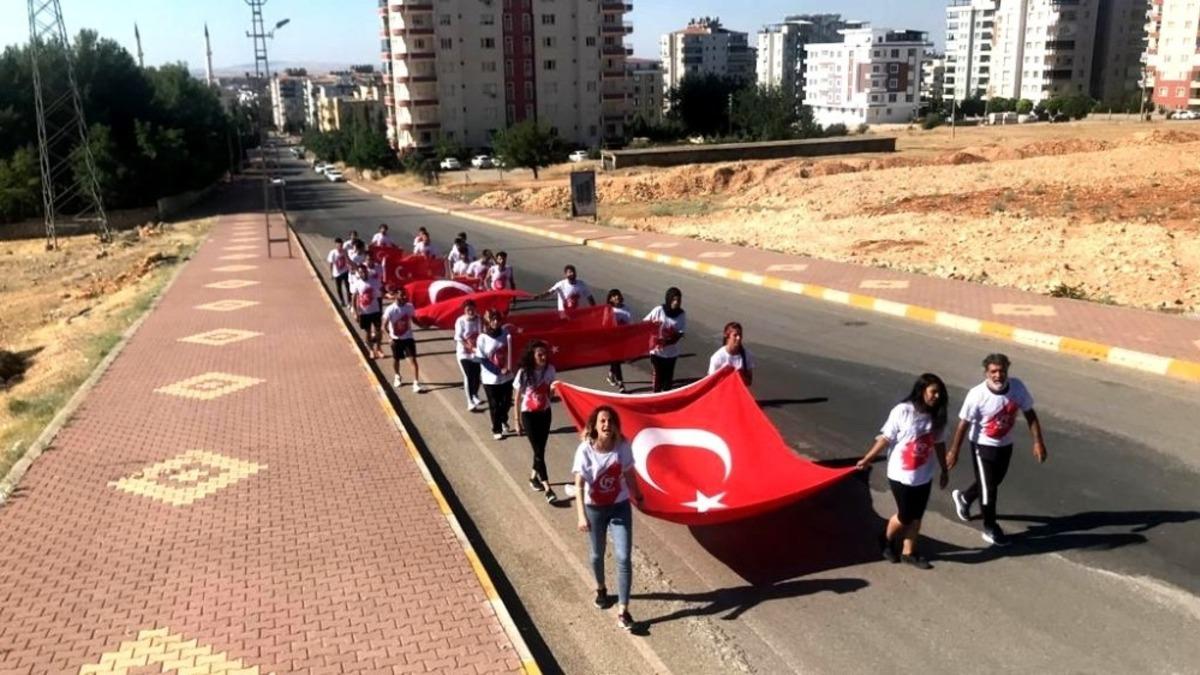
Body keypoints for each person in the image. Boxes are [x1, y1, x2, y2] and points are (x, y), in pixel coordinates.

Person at [947, 353, 1048, 547]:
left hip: (1005, 444)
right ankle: (990, 527)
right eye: (993, 371)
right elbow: (963, 424)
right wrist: (954, 451)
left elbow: (1030, 414)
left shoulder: (1017, 388)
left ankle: (964, 498)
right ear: (986, 373)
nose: (998, 375)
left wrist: (1038, 442)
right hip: (982, 446)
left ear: (1007, 371)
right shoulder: (977, 395)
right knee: (989, 489)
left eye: (1002, 371)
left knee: (995, 481)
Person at [855, 373, 950, 570]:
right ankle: (886, 539)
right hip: (900, 474)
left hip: (924, 474)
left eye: (940, 393)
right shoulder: (903, 411)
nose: (937, 396)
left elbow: (939, 443)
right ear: (922, 391)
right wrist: (868, 458)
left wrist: (943, 468)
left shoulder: (937, 417)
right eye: (933, 392)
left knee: (917, 516)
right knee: (906, 515)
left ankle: (909, 552)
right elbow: (886, 437)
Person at [573, 405, 645, 631]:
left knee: (623, 557)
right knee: (597, 554)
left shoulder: (623, 446)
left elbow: (629, 474)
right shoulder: (585, 450)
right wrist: (581, 517)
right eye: (602, 421)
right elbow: (579, 485)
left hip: (619, 507)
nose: (607, 424)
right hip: (595, 509)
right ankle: (601, 588)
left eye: (610, 421)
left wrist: (639, 497)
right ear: (595, 425)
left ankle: (623, 610)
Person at [514, 340, 559, 504]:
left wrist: (553, 391)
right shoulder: (524, 372)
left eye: (545, 354)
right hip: (529, 415)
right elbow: (518, 397)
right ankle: (548, 489)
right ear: (532, 356)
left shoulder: (550, 370)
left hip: (545, 413)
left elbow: (550, 395)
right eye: (540, 354)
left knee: (540, 449)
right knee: (538, 452)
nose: (543, 357)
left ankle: (533, 478)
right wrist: (517, 420)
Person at [475, 308, 514, 440]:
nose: (496, 322)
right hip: (490, 379)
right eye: (493, 319)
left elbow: (512, 351)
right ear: (488, 321)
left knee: (507, 402)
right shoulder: (482, 338)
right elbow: (483, 359)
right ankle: (496, 428)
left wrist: (510, 366)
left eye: (498, 319)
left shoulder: (506, 334)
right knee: (494, 404)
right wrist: (498, 371)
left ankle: (503, 419)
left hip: (507, 377)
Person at [643, 287, 686, 392]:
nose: (676, 303)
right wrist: (653, 330)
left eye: (678, 300)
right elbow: (645, 323)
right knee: (658, 377)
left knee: (667, 382)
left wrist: (666, 342)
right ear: (669, 299)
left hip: (671, 354)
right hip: (656, 352)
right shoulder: (658, 310)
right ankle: (655, 398)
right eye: (674, 300)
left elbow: (680, 333)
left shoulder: (681, 314)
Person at [383, 287, 423, 393]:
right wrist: (390, 337)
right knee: (396, 359)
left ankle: (416, 383)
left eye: (405, 295)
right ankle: (397, 375)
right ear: (396, 296)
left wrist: (422, 325)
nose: (404, 297)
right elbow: (384, 326)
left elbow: (413, 319)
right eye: (401, 295)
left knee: (413, 360)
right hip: (396, 339)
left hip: (408, 338)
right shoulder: (390, 309)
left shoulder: (409, 307)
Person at [454, 300, 484, 412]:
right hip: (463, 354)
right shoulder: (460, 321)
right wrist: (469, 347)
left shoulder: (479, 320)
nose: (471, 312)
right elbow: (458, 338)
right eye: (468, 310)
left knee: (477, 376)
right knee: (468, 376)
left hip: (476, 354)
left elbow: (481, 335)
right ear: (464, 310)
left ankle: (475, 395)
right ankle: (469, 401)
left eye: (472, 309)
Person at [350, 264, 385, 359]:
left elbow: (380, 295)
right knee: (368, 332)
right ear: (359, 273)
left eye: (364, 271)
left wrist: (381, 309)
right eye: (360, 272)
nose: (362, 273)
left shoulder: (374, 282)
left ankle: (378, 348)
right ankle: (371, 350)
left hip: (375, 310)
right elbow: (354, 298)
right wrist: (355, 312)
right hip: (364, 312)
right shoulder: (357, 284)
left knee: (378, 331)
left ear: (367, 271)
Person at [707, 321, 754, 386]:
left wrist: (739, 376)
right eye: (735, 335)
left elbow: (749, 382)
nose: (738, 338)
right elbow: (711, 383)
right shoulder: (717, 358)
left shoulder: (747, 355)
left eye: (740, 335)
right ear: (727, 336)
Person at [605, 289, 631, 392]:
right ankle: (621, 384)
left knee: (617, 360)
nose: (617, 297)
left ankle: (611, 374)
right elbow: (604, 323)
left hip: (623, 339)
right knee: (616, 360)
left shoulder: (627, 308)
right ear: (610, 299)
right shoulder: (608, 309)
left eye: (618, 295)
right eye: (614, 296)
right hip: (612, 340)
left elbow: (629, 324)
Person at [327, 237, 351, 307]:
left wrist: (351, 268)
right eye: (339, 245)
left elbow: (348, 260)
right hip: (337, 273)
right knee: (339, 288)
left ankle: (349, 302)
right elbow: (331, 264)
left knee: (348, 287)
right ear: (336, 245)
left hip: (345, 271)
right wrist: (331, 274)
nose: (340, 247)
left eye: (341, 245)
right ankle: (342, 301)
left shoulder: (344, 251)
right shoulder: (333, 253)